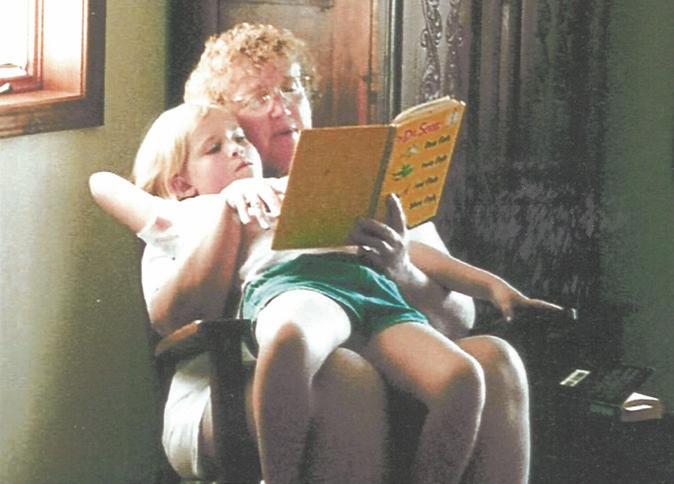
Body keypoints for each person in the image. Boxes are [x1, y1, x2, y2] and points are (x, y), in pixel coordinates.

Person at [90, 103, 560, 484]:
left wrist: (492, 286)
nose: (237, 148)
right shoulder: (199, 210)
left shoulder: (312, 185)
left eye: (238, 137)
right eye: (216, 146)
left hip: (371, 293)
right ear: (181, 184)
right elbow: (104, 185)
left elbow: (425, 265)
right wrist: (228, 206)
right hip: (297, 290)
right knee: (294, 341)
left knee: (467, 376)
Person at [181, 22, 563, 483]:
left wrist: (401, 267)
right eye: (259, 97)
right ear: (223, 118)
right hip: (275, 359)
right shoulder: (214, 196)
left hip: (387, 330)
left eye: (293, 86)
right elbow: (178, 312)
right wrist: (230, 209)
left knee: (496, 358)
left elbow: (460, 318)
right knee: (345, 372)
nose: (284, 106)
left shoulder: (362, 174)